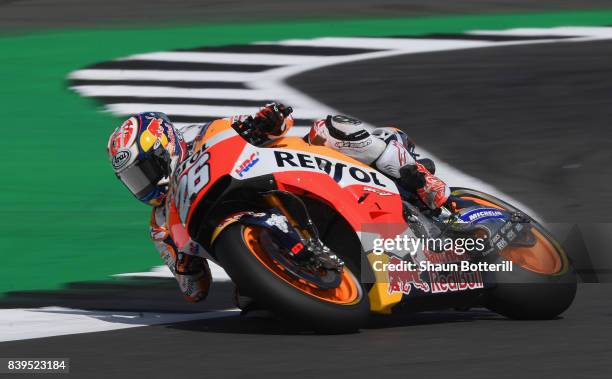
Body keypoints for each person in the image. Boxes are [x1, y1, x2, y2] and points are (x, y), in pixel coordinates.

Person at [106, 103, 449, 304]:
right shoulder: (160, 225)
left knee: (329, 129)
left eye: (146, 170)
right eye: (135, 179)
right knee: (250, 306)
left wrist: (265, 119)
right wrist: (183, 265)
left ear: (165, 147)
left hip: (290, 173)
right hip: (253, 241)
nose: (147, 184)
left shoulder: (202, 135)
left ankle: (419, 180)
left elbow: (278, 122)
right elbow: (196, 291)